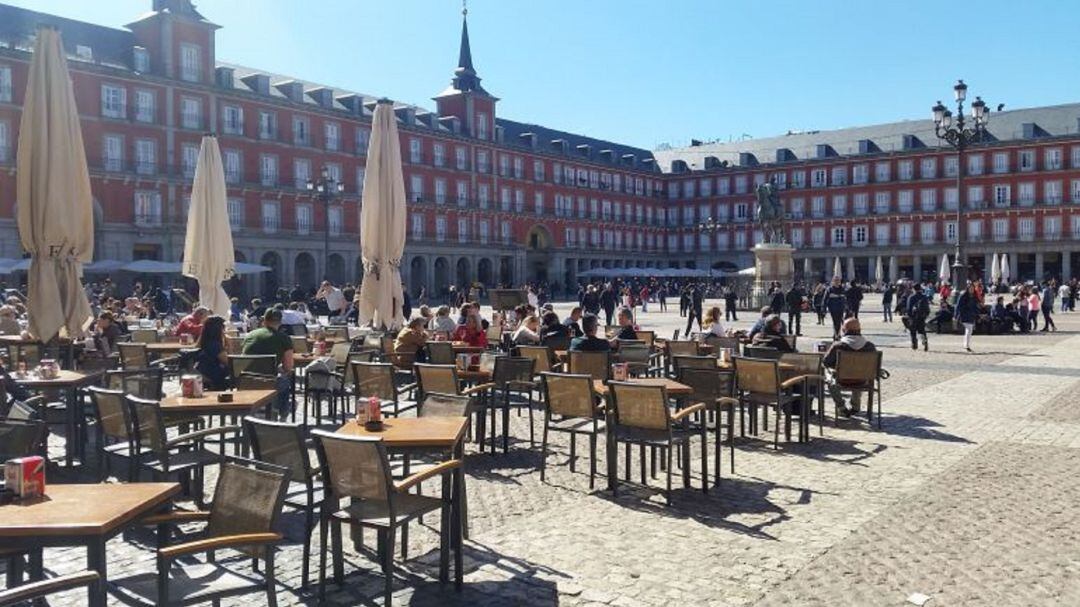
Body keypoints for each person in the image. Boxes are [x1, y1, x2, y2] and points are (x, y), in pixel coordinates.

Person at [241, 309, 295, 419]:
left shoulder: (250, 335)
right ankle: (281, 414)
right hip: (268, 382)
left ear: (264, 321)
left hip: (245, 381)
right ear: (280, 322)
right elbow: (288, 367)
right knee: (285, 380)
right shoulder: (283, 338)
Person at [823, 317, 877, 417]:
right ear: (860, 330)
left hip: (842, 380)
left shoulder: (838, 346)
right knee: (859, 372)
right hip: (863, 380)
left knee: (828, 375)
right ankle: (856, 406)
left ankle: (841, 407)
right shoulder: (870, 346)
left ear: (844, 330)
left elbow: (826, 362)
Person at [195, 315, 230, 390]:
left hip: (203, 371)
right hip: (213, 375)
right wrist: (228, 344)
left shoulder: (203, 342)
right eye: (223, 328)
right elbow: (228, 362)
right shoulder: (214, 345)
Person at [954, 282, 979, 353]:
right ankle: (966, 345)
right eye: (970, 288)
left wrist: (977, 313)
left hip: (971, 315)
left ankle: (966, 345)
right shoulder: (963, 295)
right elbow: (958, 305)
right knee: (969, 329)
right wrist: (955, 315)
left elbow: (975, 306)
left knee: (969, 330)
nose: (972, 289)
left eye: (973, 288)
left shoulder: (974, 296)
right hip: (964, 314)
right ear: (967, 288)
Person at [906, 285, 930, 351]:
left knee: (913, 332)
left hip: (914, 317)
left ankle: (914, 344)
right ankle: (925, 342)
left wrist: (910, 316)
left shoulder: (911, 297)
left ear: (914, 289)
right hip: (922, 317)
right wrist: (925, 316)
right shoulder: (924, 297)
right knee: (922, 331)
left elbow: (908, 308)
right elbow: (927, 308)